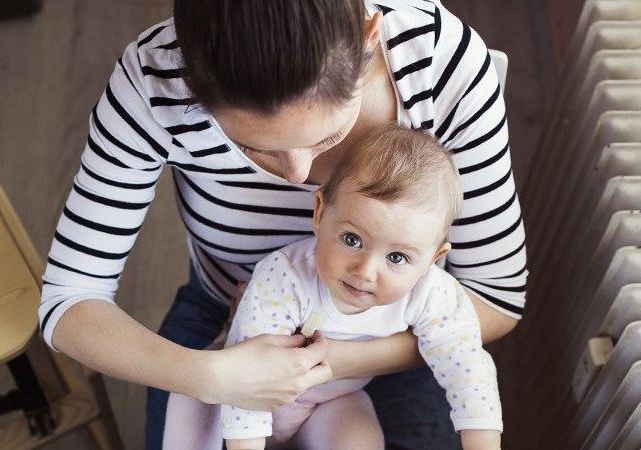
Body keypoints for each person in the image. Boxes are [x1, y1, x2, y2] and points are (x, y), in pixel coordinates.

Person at [39, 1, 527, 449]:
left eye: (327, 136)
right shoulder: (153, 81)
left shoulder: (443, 65)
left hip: (397, 332)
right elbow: (69, 300)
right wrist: (212, 374)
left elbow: (495, 298)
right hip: (223, 324)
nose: (298, 177)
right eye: (253, 147)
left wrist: (328, 360)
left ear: (368, 40)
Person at [217, 125, 501, 450]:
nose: (365, 272)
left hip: (329, 403)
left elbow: (467, 369)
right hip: (234, 401)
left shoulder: (432, 294)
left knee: (358, 438)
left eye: (397, 257)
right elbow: (246, 376)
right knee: (191, 411)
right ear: (320, 213)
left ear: (433, 259)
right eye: (352, 240)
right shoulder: (286, 276)